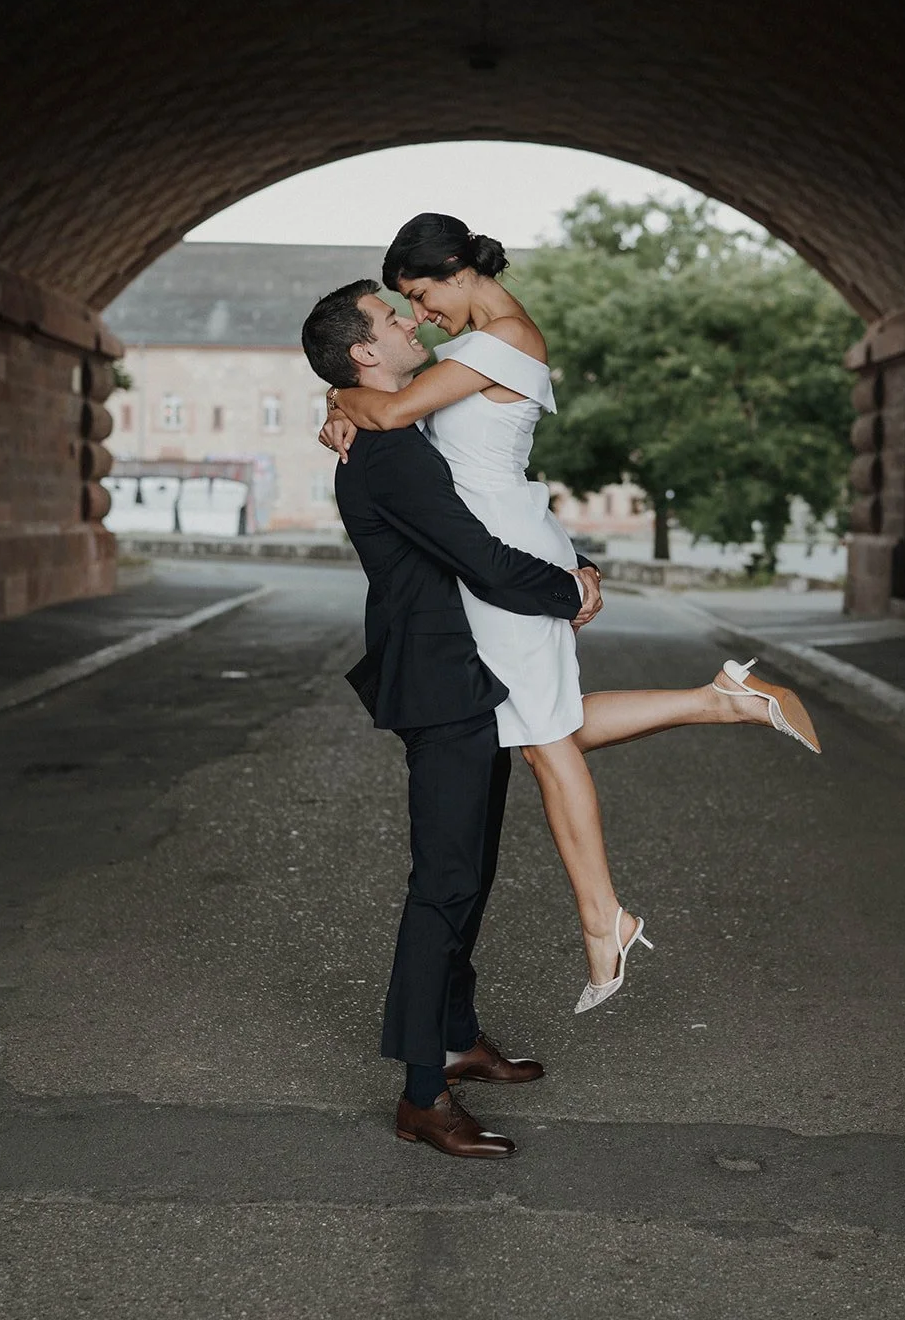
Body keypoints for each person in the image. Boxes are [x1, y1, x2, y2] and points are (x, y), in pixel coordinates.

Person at [320, 212, 823, 1009]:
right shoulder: (476, 349)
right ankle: (719, 701)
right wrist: (345, 402)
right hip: (510, 546)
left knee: (544, 742)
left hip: (504, 564)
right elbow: (397, 412)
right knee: (536, 725)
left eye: (419, 295)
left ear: (457, 268)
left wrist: (341, 397)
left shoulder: (503, 342)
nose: (418, 316)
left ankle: (604, 920)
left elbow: (388, 413)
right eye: (405, 308)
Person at [301, 278, 605, 1159]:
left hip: (472, 675)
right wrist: (571, 593)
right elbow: (476, 556)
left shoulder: (396, 421)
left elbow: (488, 507)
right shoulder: (387, 452)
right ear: (364, 351)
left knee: (468, 870)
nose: (409, 322)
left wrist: (569, 561)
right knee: (442, 883)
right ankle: (420, 1095)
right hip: (438, 683)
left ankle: (457, 1036)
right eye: (392, 318)